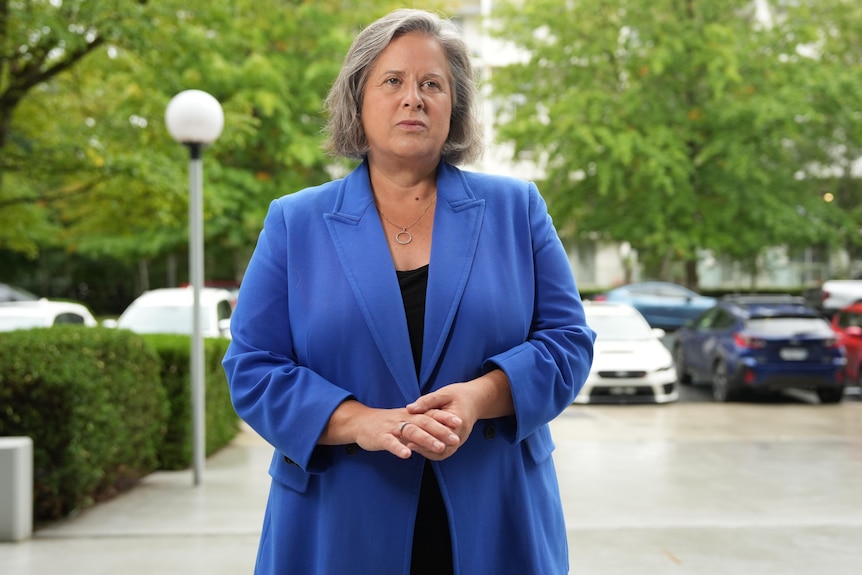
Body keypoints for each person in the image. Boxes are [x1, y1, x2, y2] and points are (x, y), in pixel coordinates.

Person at [223, 8, 595, 575]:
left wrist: (479, 398)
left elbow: (569, 343)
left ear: (455, 106)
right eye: (392, 81)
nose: (412, 98)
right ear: (358, 98)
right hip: (336, 519)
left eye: (432, 84)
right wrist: (359, 421)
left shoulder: (517, 209)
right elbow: (252, 368)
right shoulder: (295, 223)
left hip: (496, 515)